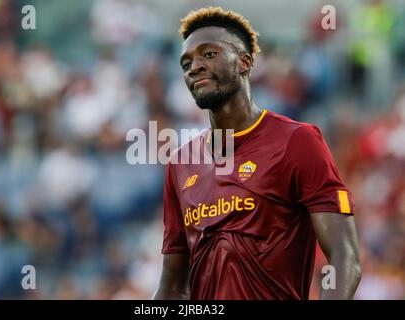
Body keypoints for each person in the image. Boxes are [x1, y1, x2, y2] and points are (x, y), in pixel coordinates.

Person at [153, 7, 361, 300]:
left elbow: (344, 255)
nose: (194, 66)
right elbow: (171, 287)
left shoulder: (298, 141)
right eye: (186, 62)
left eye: (209, 54)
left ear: (244, 62)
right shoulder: (181, 163)